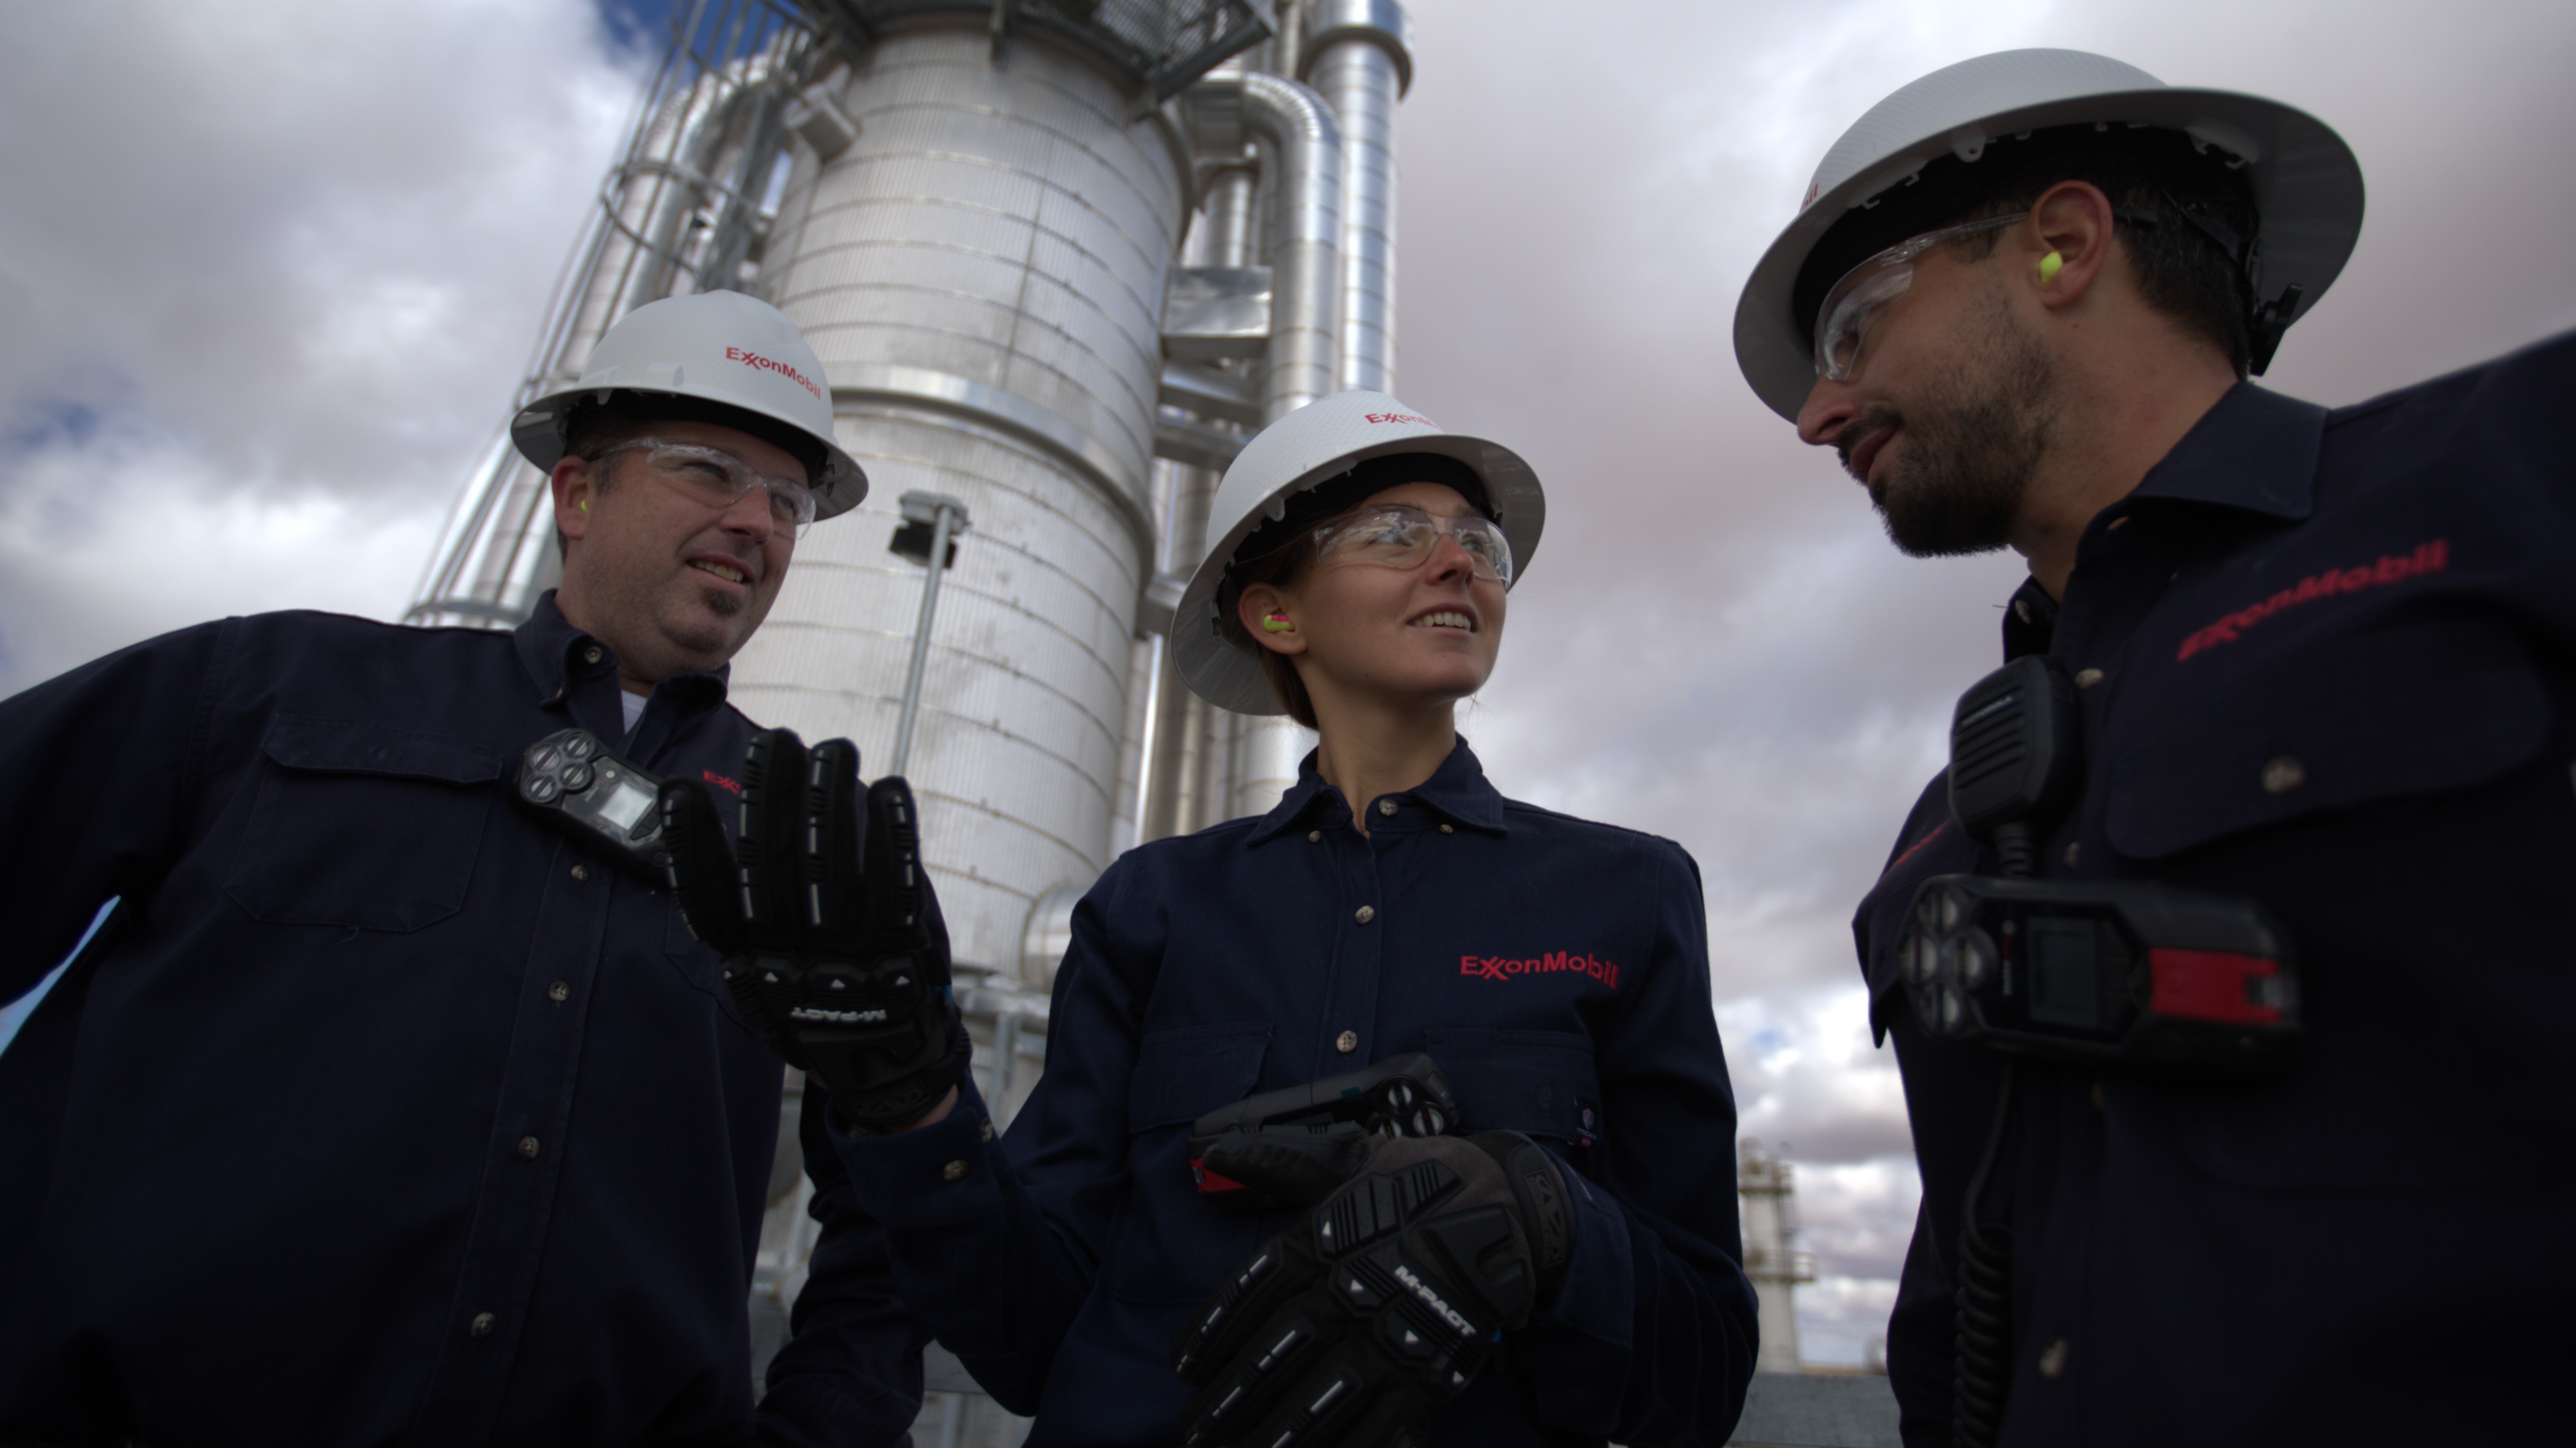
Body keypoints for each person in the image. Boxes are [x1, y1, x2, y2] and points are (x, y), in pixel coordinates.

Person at [1730, 47, 2574, 1447]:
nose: (1821, 413)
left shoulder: (2518, 481)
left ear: (2063, 246)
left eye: (1855, 333)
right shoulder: (1952, 822)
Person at [669, 390, 1760, 1446]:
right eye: (1396, 532)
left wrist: (1544, 1222)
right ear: (1274, 612)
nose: (1458, 561)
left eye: (1480, 540)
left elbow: (1702, 1374)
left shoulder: (1625, 895)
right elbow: (1029, 1338)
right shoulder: (1152, 909)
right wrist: (912, 1108)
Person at [0, 290, 927, 1445]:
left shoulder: (814, 842)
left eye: (788, 501)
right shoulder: (274, 688)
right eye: (706, 469)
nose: (758, 522)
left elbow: (909, 1189)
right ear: (579, 493)